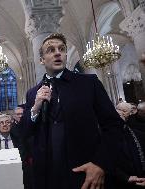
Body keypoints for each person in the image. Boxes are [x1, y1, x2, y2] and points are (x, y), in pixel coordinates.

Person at [24, 33, 124, 189]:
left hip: (85, 173)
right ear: (42, 60)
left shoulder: (88, 84)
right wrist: (35, 109)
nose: (58, 52)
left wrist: (101, 163)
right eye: (50, 50)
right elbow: (27, 133)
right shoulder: (32, 93)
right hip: (47, 176)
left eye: (61, 49)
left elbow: (114, 126)